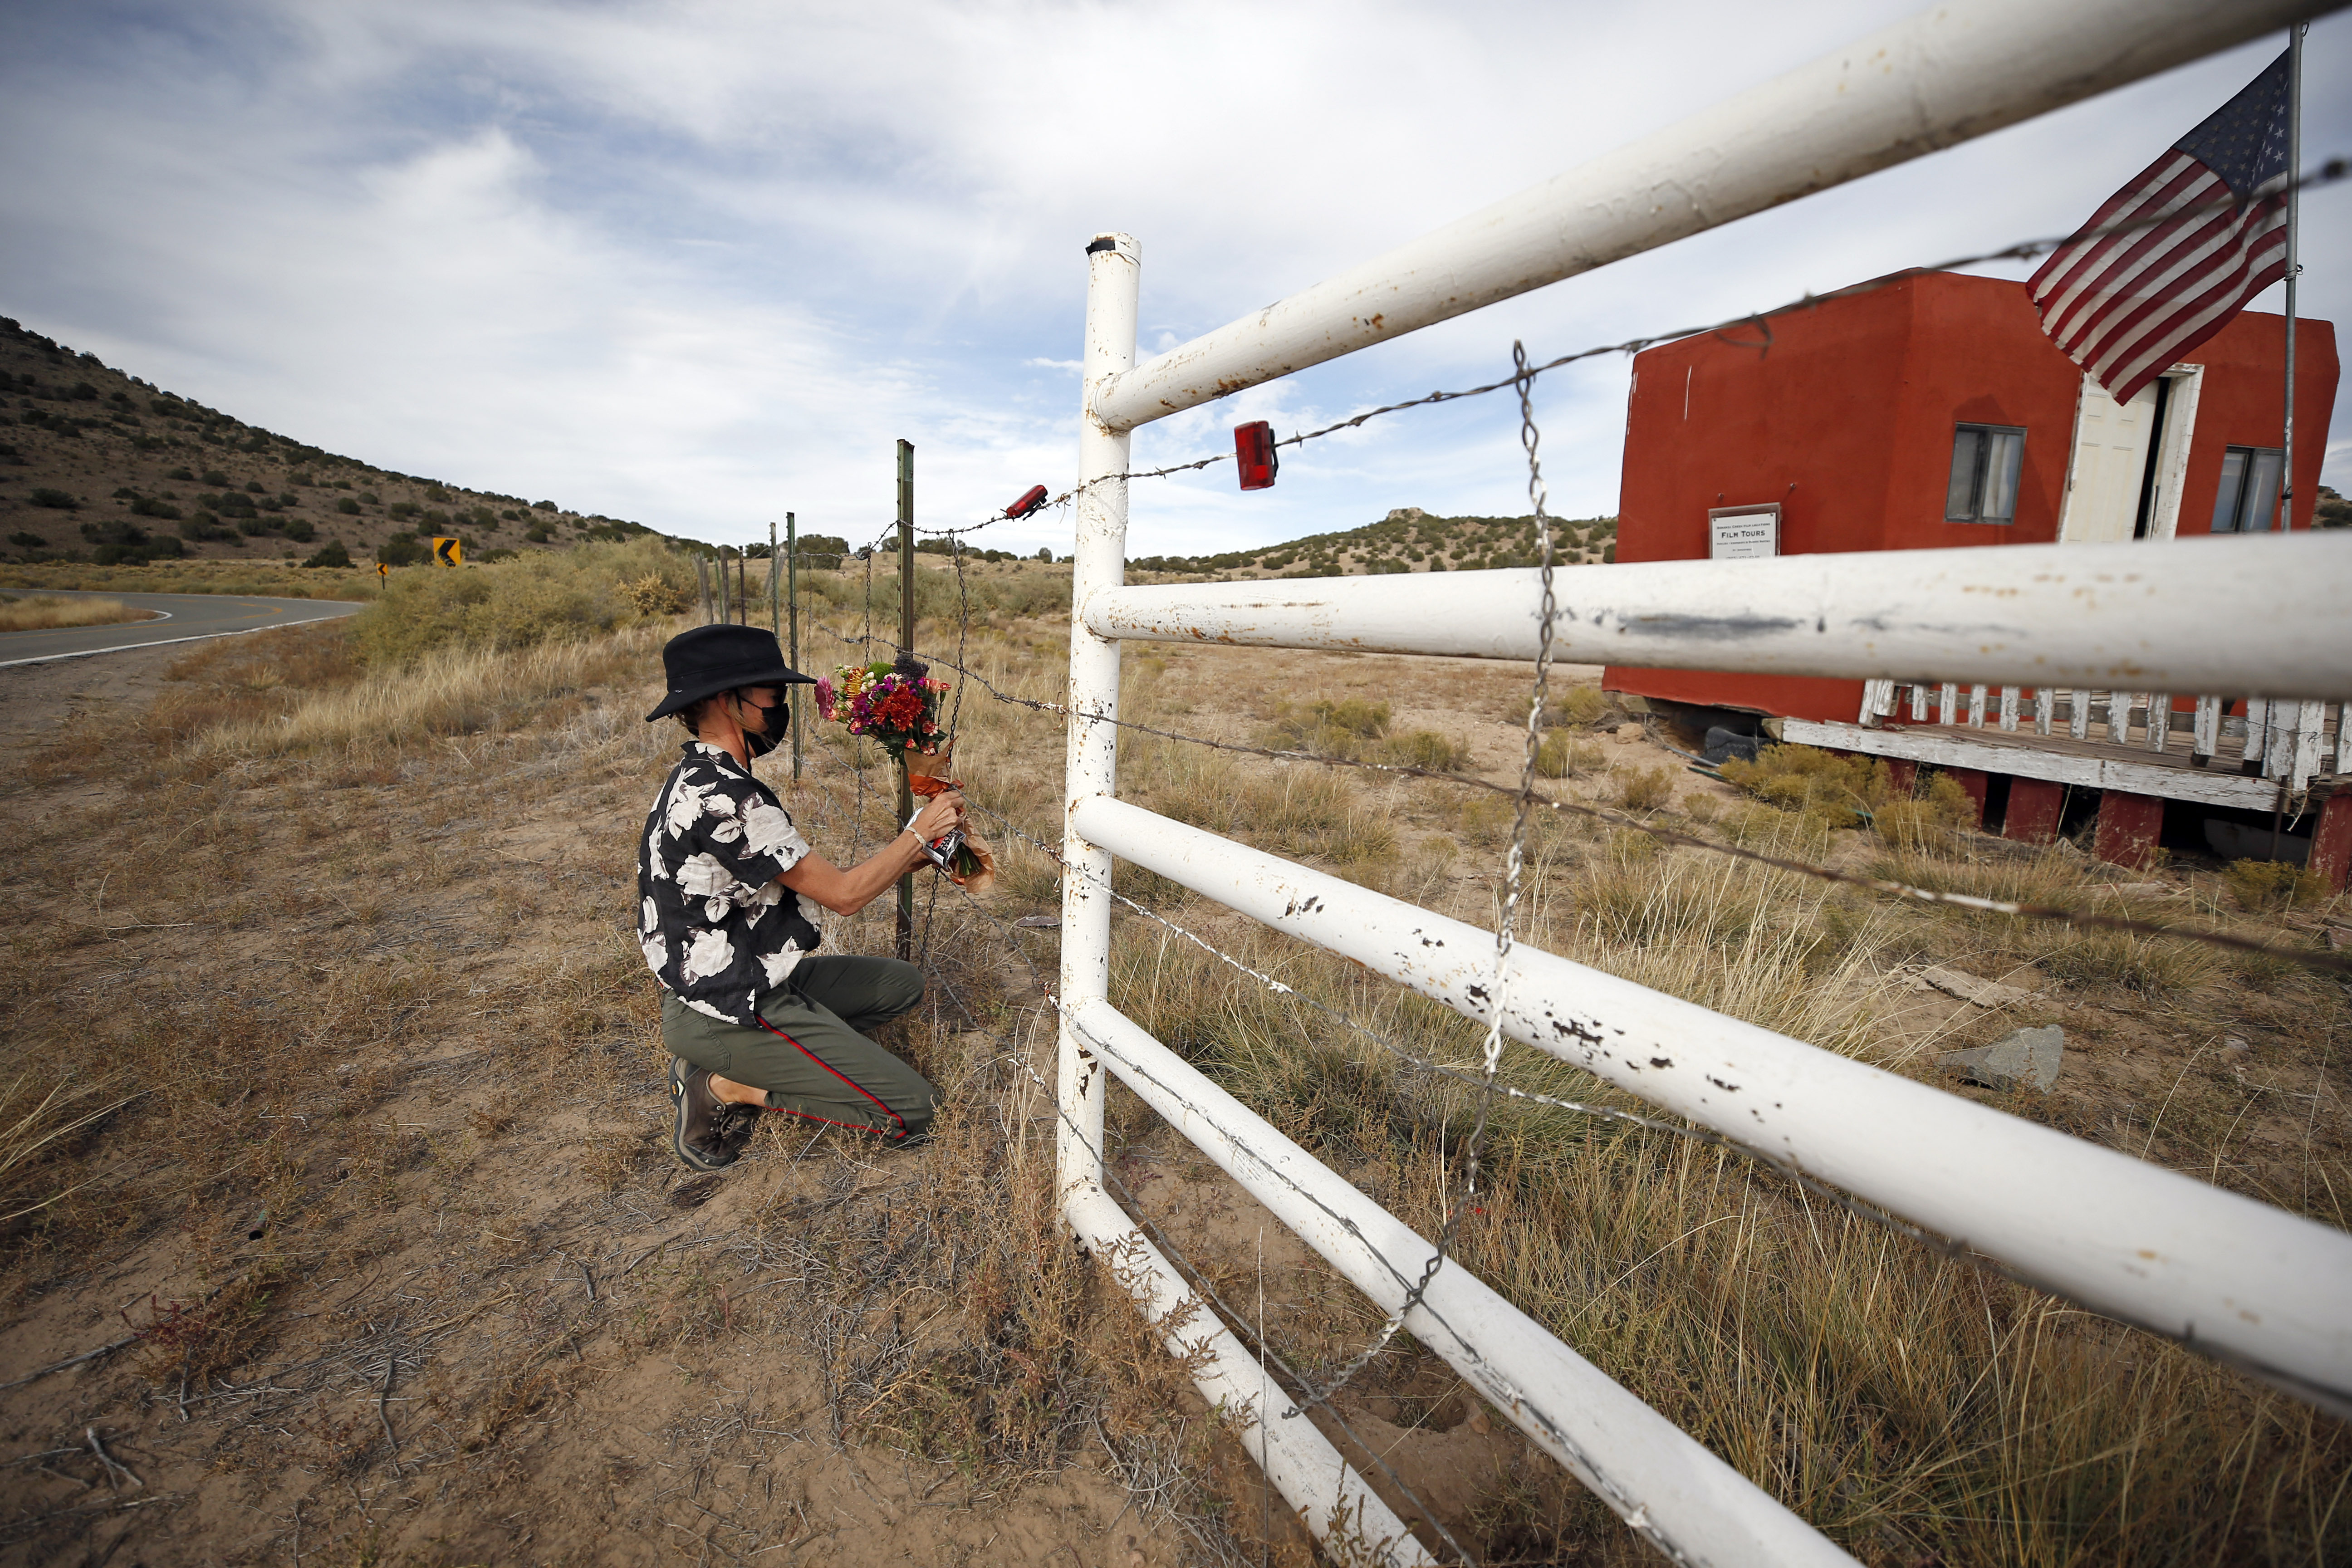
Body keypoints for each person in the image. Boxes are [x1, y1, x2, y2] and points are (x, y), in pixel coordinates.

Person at [637, 623, 967, 1171]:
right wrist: (915, 834)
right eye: (771, 692)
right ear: (727, 701)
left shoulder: (700, 775)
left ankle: (794, 1055)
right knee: (917, 1109)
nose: (781, 705)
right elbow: (843, 896)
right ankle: (726, 1084)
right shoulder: (727, 798)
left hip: (739, 978)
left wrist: (921, 846)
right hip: (727, 1004)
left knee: (899, 986)